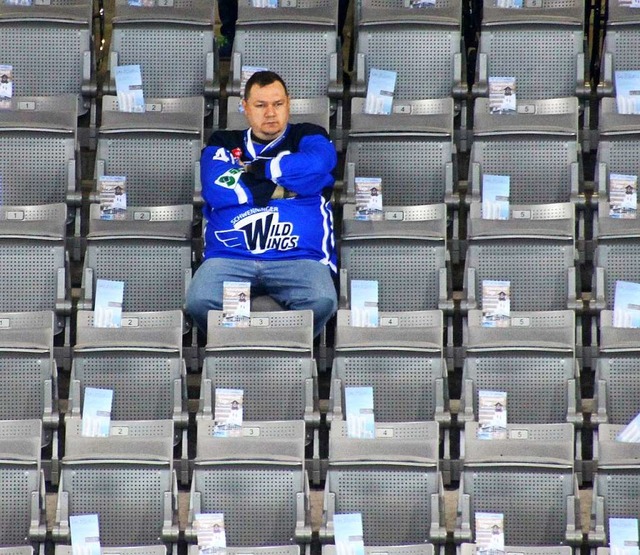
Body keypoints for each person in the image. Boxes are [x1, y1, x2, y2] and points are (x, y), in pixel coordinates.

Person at [186, 70, 338, 337]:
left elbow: (321, 163)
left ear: (288, 103)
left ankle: (283, 351)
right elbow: (217, 188)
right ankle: (240, 349)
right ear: (245, 107)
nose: (270, 113)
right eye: (260, 105)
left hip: (298, 256)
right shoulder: (224, 141)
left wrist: (256, 169)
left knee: (322, 301)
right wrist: (287, 187)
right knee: (200, 301)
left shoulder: (308, 135)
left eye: (278, 104)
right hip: (232, 257)